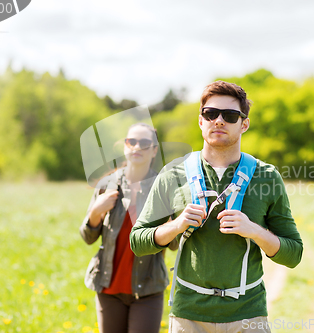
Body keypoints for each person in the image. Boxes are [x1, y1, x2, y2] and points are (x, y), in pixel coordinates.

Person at [130, 81, 303, 332]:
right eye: (210, 114)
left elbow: (294, 254)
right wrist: (176, 225)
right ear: (201, 121)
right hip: (188, 315)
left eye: (230, 116)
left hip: (247, 315)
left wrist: (253, 230)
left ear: (244, 124)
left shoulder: (267, 176)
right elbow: (138, 241)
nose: (219, 121)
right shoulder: (172, 174)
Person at [80, 123, 176, 333]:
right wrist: (96, 212)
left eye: (144, 143)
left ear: (154, 150)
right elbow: (87, 237)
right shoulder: (107, 185)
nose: (137, 147)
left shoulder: (163, 188)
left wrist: (173, 222)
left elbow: (174, 245)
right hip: (108, 287)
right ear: (124, 146)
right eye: (131, 141)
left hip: (148, 288)